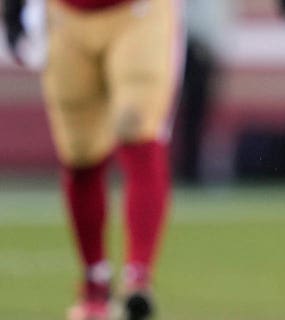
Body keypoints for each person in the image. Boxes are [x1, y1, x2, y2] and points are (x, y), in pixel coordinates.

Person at [3, 0, 185, 319]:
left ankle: (137, 279)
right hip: (65, 15)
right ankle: (94, 281)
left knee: (138, 130)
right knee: (80, 155)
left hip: (138, 12)